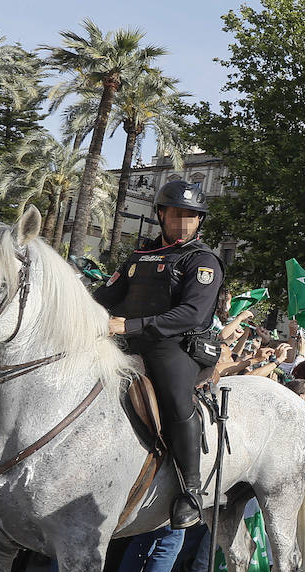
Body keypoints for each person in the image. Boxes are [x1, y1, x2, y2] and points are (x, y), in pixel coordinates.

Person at [93, 180, 223, 530]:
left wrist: (129, 327)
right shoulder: (139, 257)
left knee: (177, 400)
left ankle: (191, 491)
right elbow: (103, 296)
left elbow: (192, 314)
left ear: (199, 221)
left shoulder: (202, 260)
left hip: (172, 346)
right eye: (176, 213)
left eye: (191, 216)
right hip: (124, 342)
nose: (183, 221)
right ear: (161, 215)